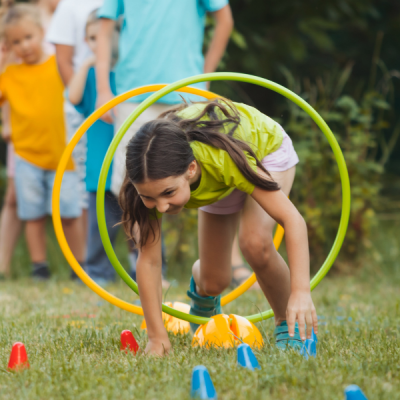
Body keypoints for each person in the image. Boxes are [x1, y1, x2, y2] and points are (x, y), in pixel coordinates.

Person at [118, 99, 318, 356]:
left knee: (255, 243)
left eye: (168, 193)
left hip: (264, 153)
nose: (161, 208)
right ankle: (202, 295)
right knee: (214, 281)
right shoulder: (147, 179)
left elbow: (293, 220)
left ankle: (289, 326)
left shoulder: (222, 159)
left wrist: (300, 292)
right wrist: (157, 337)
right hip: (218, 179)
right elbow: (150, 261)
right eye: (150, 198)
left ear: (190, 170)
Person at [95, 0, 234, 281]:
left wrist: (205, 78)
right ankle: (147, 266)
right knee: (135, 184)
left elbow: (225, 20)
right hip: (133, 94)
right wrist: (102, 89)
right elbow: (104, 28)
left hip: (188, 93)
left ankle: (225, 263)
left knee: (209, 173)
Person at [0, 4, 83, 279]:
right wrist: (3, 60)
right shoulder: (9, 75)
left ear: (41, 32)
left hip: (63, 156)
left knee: (69, 215)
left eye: (28, 37)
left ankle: (79, 266)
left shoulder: (56, 67)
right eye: (15, 41)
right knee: (32, 215)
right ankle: (40, 268)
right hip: (26, 157)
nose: (23, 46)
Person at [46, 0, 104, 265]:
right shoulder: (70, 6)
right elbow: (63, 60)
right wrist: (82, 102)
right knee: (87, 188)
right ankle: (86, 262)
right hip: (85, 115)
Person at [67, 10, 120, 284]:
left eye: (103, 36)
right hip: (100, 165)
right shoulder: (90, 78)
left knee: (142, 221)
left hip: (130, 165)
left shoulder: (128, 73)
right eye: (91, 38)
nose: (98, 43)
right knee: (101, 226)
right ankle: (98, 271)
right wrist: (89, 63)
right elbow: (72, 96)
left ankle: (149, 270)